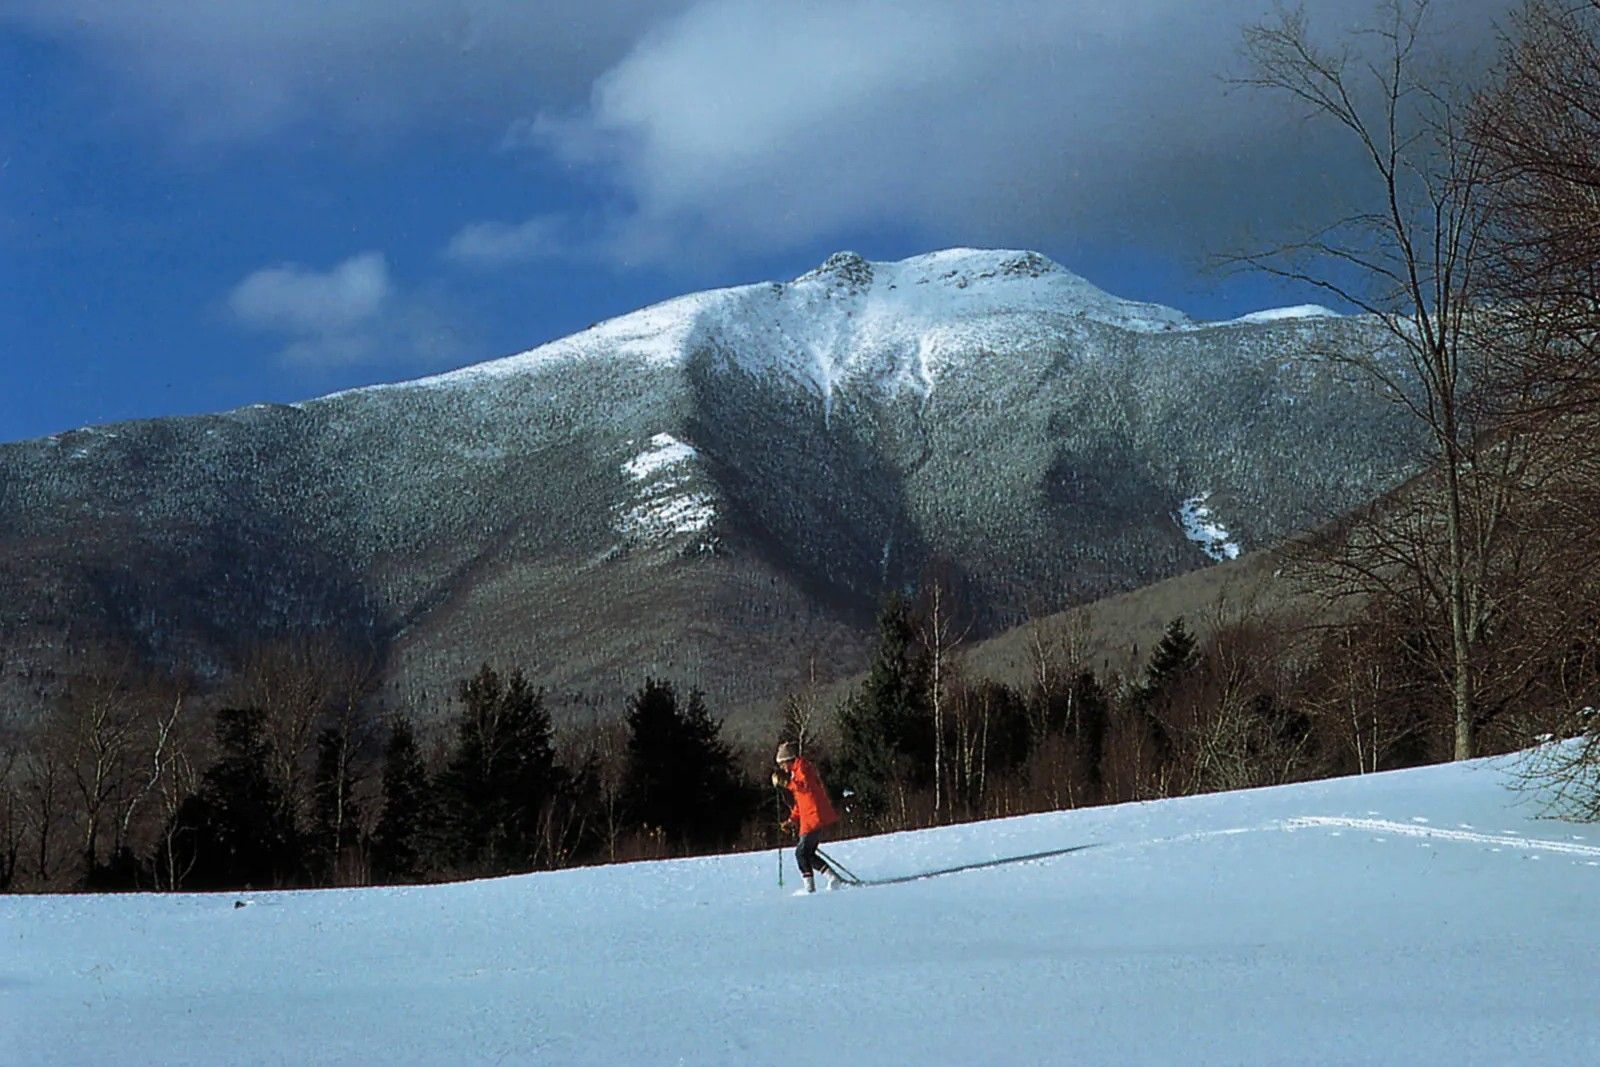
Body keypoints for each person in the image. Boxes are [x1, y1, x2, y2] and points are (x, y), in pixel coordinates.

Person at [772, 741, 841, 892]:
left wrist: (786, 783)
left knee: (801, 853)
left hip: (813, 818)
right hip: (809, 818)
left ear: (788, 760)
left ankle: (810, 887)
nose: (782, 767)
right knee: (807, 854)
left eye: (782, 763)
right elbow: (800, 803)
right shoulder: (796, 773)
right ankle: (832, 878)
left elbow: (804, 787)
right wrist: (791, 820)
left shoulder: (802, 767)